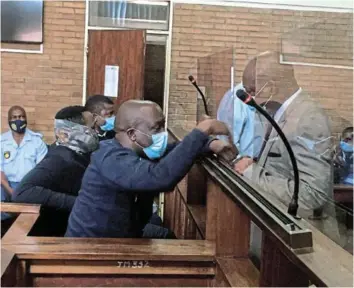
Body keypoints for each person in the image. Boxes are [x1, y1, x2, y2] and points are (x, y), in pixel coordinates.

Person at [65, 100, 235, 238]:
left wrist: (210, 144)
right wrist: (202, 131)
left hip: (119, 240)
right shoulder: (110, 157)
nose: (163, 134)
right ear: (132, 134)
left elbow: (176, 150)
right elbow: (160, 177)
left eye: (163, 126)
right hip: (91, 249)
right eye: (156, 128)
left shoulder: (139, 150)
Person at [12, 106, 99, 236]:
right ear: (68, 132)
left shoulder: (76, 154)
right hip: (52, 235)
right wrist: (78, 202)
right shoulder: (60, 159)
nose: (96, 132)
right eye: (91, 128)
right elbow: (22, 192)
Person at [1, 106, 47, 221]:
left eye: (22, 116)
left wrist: (24, 190)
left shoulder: (37, 141)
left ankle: (22, 224)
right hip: (6, 185)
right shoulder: (1, 142)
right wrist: (11, 191)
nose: (18, 120)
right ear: (9, 120)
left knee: (34, 209)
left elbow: (41, 171)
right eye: (14, 117)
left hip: (29, 185)